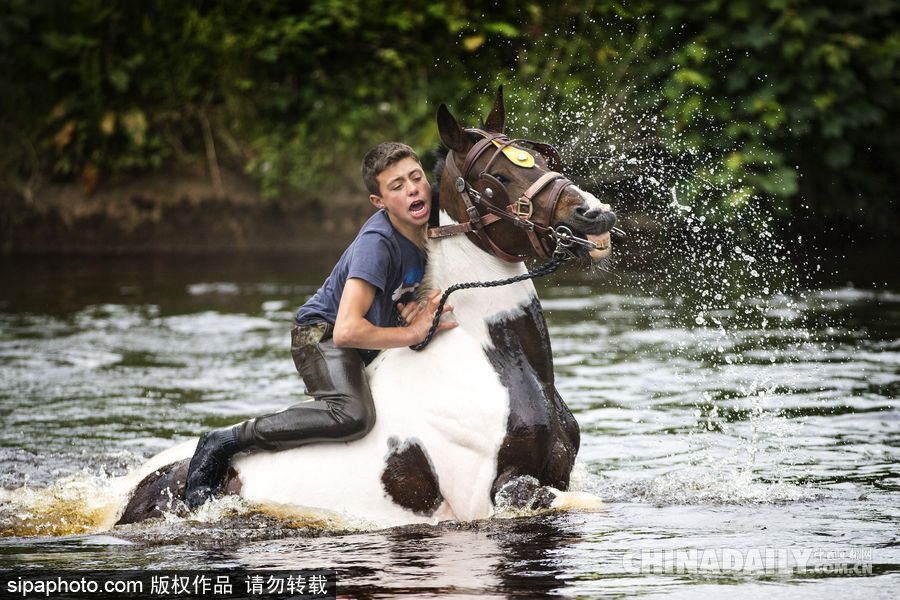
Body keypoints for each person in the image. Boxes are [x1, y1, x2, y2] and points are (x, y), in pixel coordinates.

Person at [183, 142, 457, 509]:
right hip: (321, 335)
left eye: (416, 178)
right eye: (397, 186)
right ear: (379, 202)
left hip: (366, 335)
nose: (412, 189)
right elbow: (346, 329)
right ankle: (225, 440)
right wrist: (411, 332)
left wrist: (415, 308)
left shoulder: (432, 215)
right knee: (352, 415)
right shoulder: (376, 245)